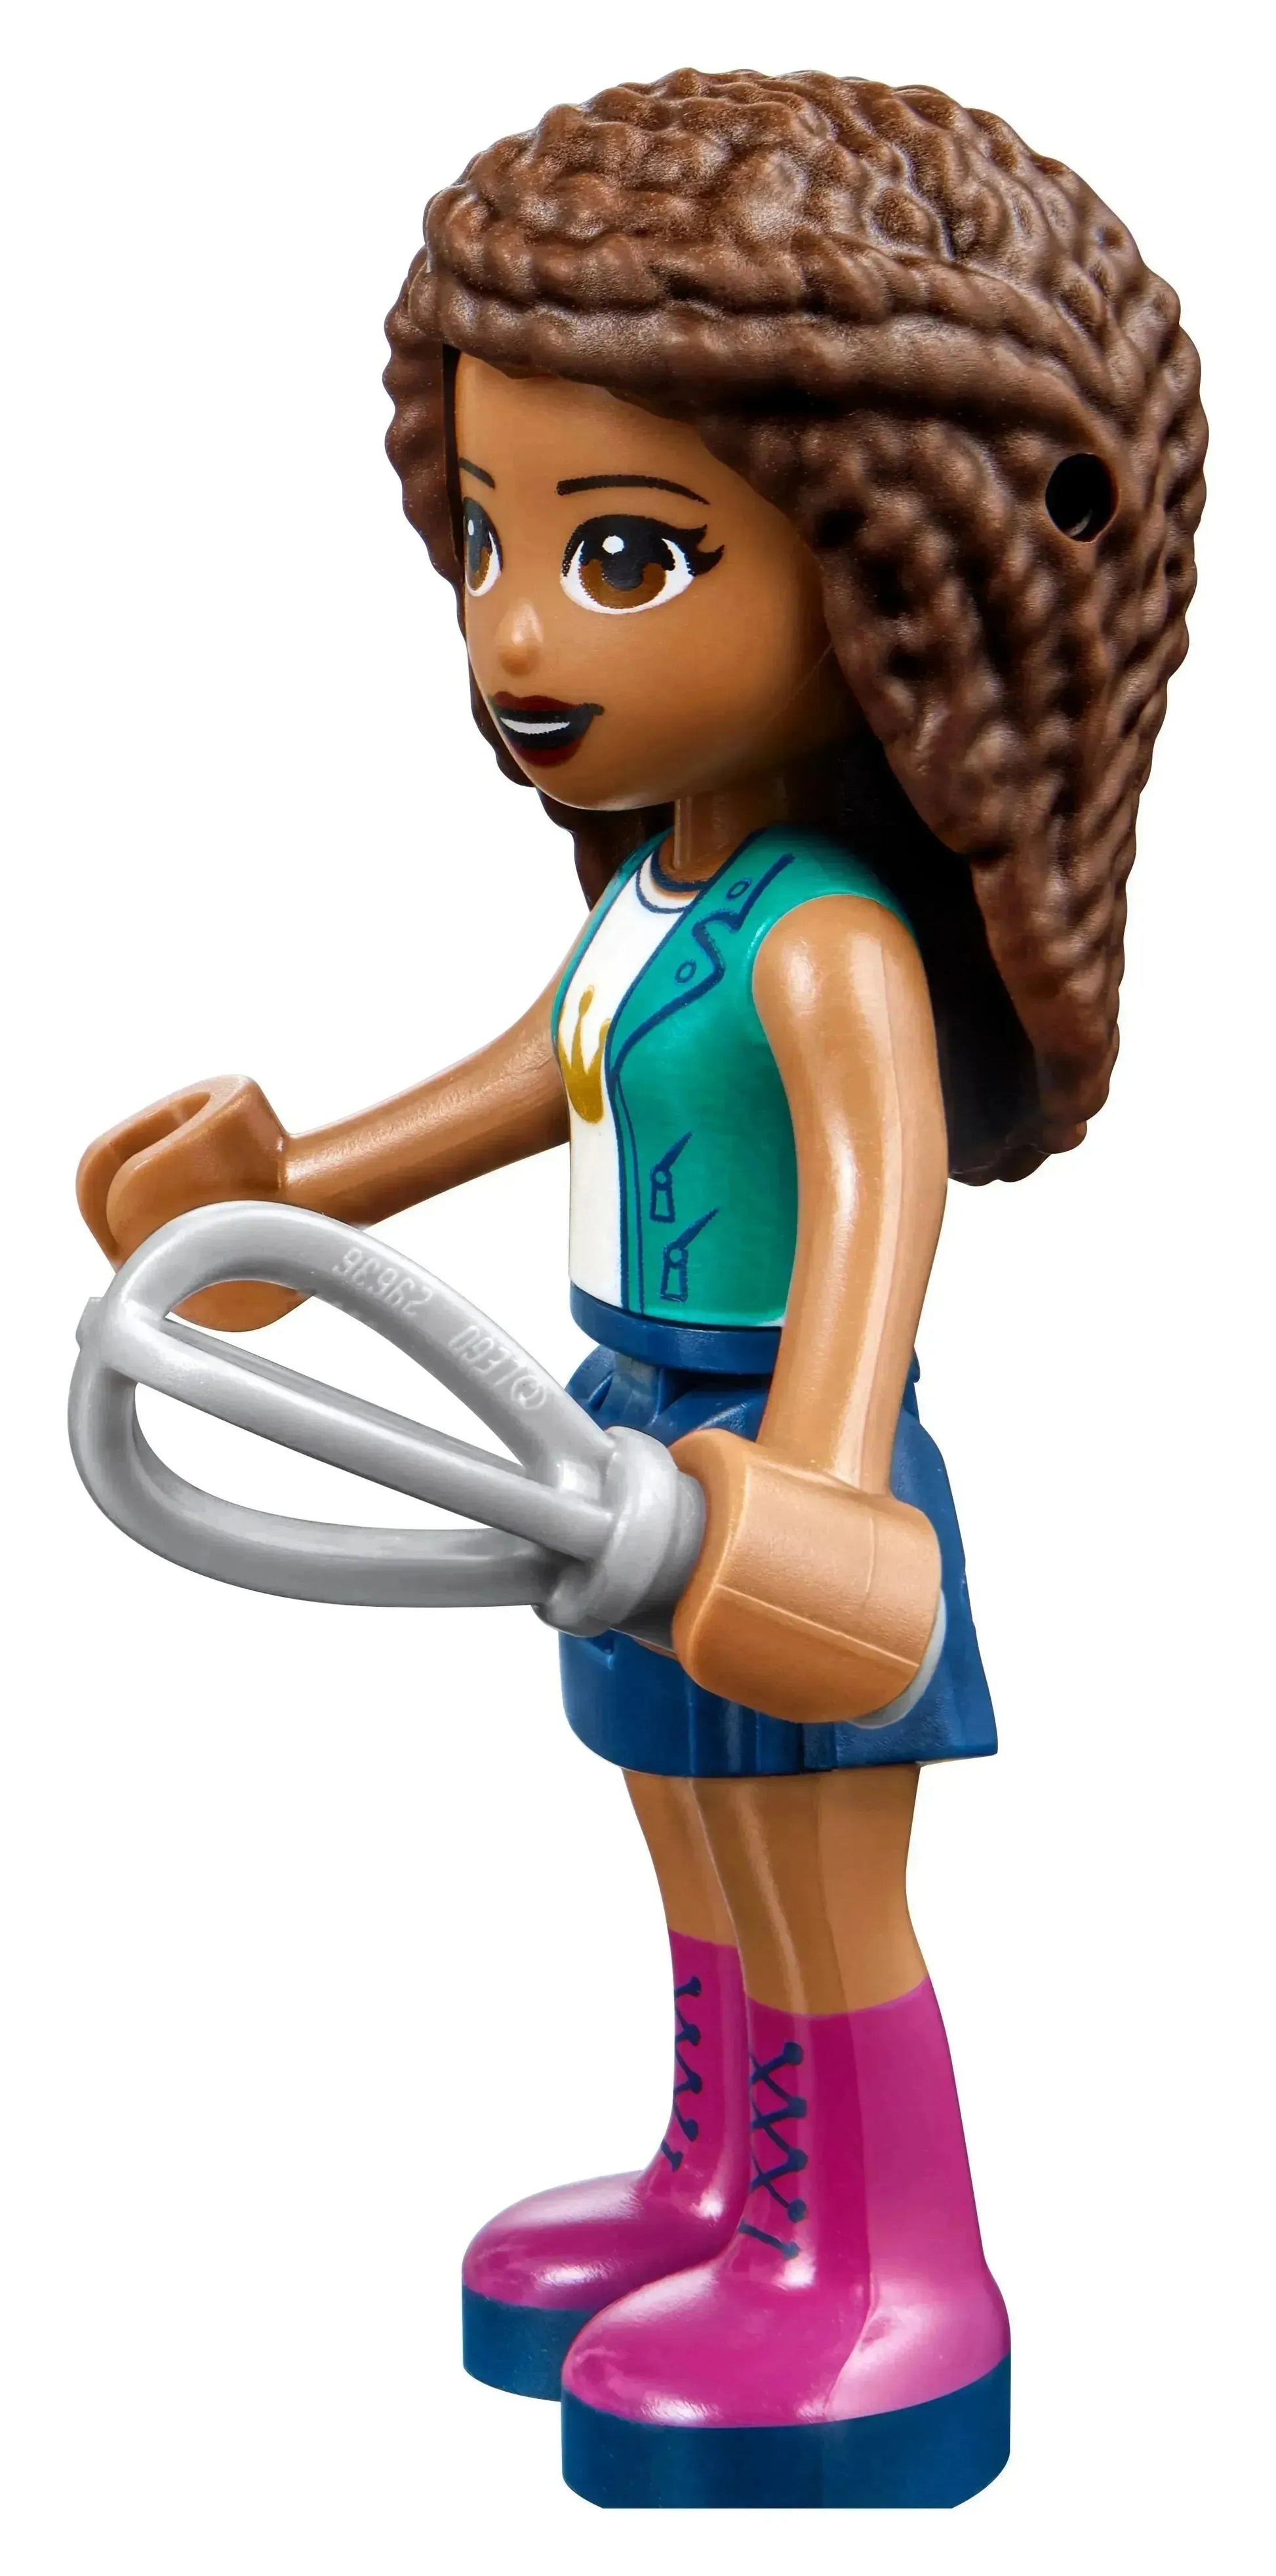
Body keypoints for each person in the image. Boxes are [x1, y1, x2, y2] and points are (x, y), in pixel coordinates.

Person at [76, 69, 1205, 2509]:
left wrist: (819, 1479)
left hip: (775, 1452)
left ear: (880, 574)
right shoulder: (651, 901)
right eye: (490, 538)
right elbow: (530, 1081)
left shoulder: (825, 944)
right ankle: (731, 2192)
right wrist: (290, 1193)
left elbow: (878, 1204)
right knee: (685, 1827)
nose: (511, 632)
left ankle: (893, 2283)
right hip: (615, 1432)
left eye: (624, 555)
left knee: (815, 1868)